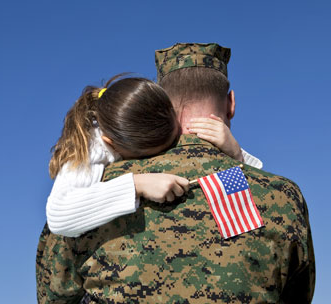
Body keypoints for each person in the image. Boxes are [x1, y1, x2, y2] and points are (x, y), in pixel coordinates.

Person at [36, 43, 315, 303]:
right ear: (231, 103)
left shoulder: (89, 195)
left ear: (157, 103)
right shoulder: (282, 196)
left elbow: (55, 294)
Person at [47, 75, 262, 237]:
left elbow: (262, 182)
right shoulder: (93, 146)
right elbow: (58, 217)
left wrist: (235, 152)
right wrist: (137, 184)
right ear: (113, 144)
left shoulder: (142, 116)